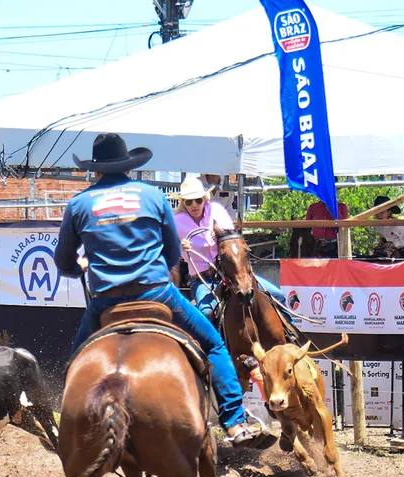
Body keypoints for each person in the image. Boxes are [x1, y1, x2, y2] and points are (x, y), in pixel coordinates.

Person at [55, 133, 273, 450]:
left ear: (95, 171)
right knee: (213, 345)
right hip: (157, 293)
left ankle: (71, 427)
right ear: (128, 168)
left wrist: (81, 268)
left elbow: (63, 261)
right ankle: (235, 423)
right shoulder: (152, 195)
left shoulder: (78, 204)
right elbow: (173, 254)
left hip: (106, 300)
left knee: (76, 362)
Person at [171, 175, 289, 322]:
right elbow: (166, 248)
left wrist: (220, 237)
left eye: (198, 200)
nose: (194, 205)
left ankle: (291, 333)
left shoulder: (216, 210)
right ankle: (213, 345)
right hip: (203, 279)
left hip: (231, 272)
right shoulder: (176, 221)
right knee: (207, 312)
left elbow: (232, 239)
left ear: (204, 199)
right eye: (189, 202)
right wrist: (179, 246)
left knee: (277, 295)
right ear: (183, 203)